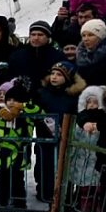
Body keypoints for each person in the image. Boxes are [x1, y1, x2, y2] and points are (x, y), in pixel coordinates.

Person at [0, 83, 42, 212]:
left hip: (19, 154)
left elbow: (38, 111)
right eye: (9, 99)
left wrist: (22, 107)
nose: (11, 103)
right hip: (1, 153)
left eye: (16, 100)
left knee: (17, 181)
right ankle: (0, 205)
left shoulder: (26, 114)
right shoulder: (0, 111)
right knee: (1, 180)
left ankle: (18, 206)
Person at [34, 61, 86, 203]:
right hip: (44, 137)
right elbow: (36, 112)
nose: (54, 77)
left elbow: (77, 114)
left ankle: (64, 197)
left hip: (65, 138)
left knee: (63, 168)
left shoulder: (73, 96)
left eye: (59, 74)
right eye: (53, 73)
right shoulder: (42, 93)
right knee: (44, 166)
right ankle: (45, 193)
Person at [69, 86, 105, 212]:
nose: (91, 105)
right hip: (82, 162)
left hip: (97, 162)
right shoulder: (80, 120)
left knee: (98, 193)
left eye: (95, 102)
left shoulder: (103, 121)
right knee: (85, 192)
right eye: (89, 102)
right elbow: (75, 137)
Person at [8, 21, 64, 89]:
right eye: (33, 35)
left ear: (48, 37)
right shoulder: (17, 56)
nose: (36, 38)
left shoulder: (57, 56)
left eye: (40, 35)